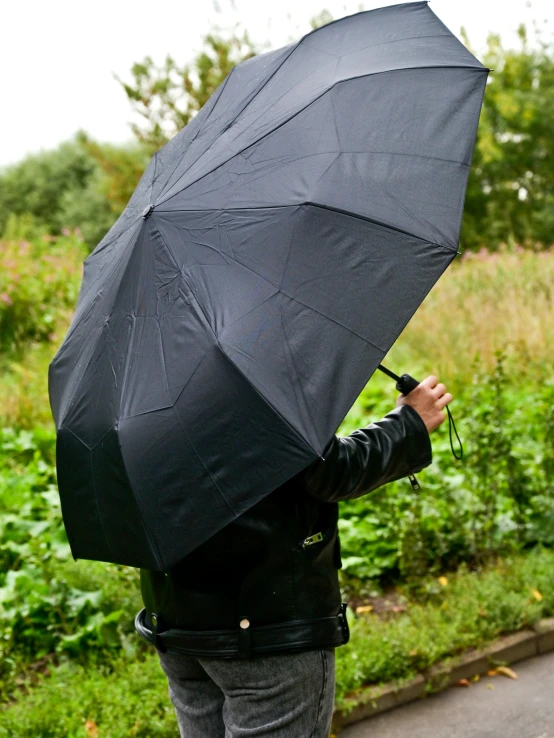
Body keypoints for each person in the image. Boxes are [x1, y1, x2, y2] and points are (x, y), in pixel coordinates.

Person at [135, 375, 452, 737]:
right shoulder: (246, 367)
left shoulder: (137, 380)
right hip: (267, 630)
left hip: (178, 624)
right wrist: (409, 424)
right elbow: (329, 471)